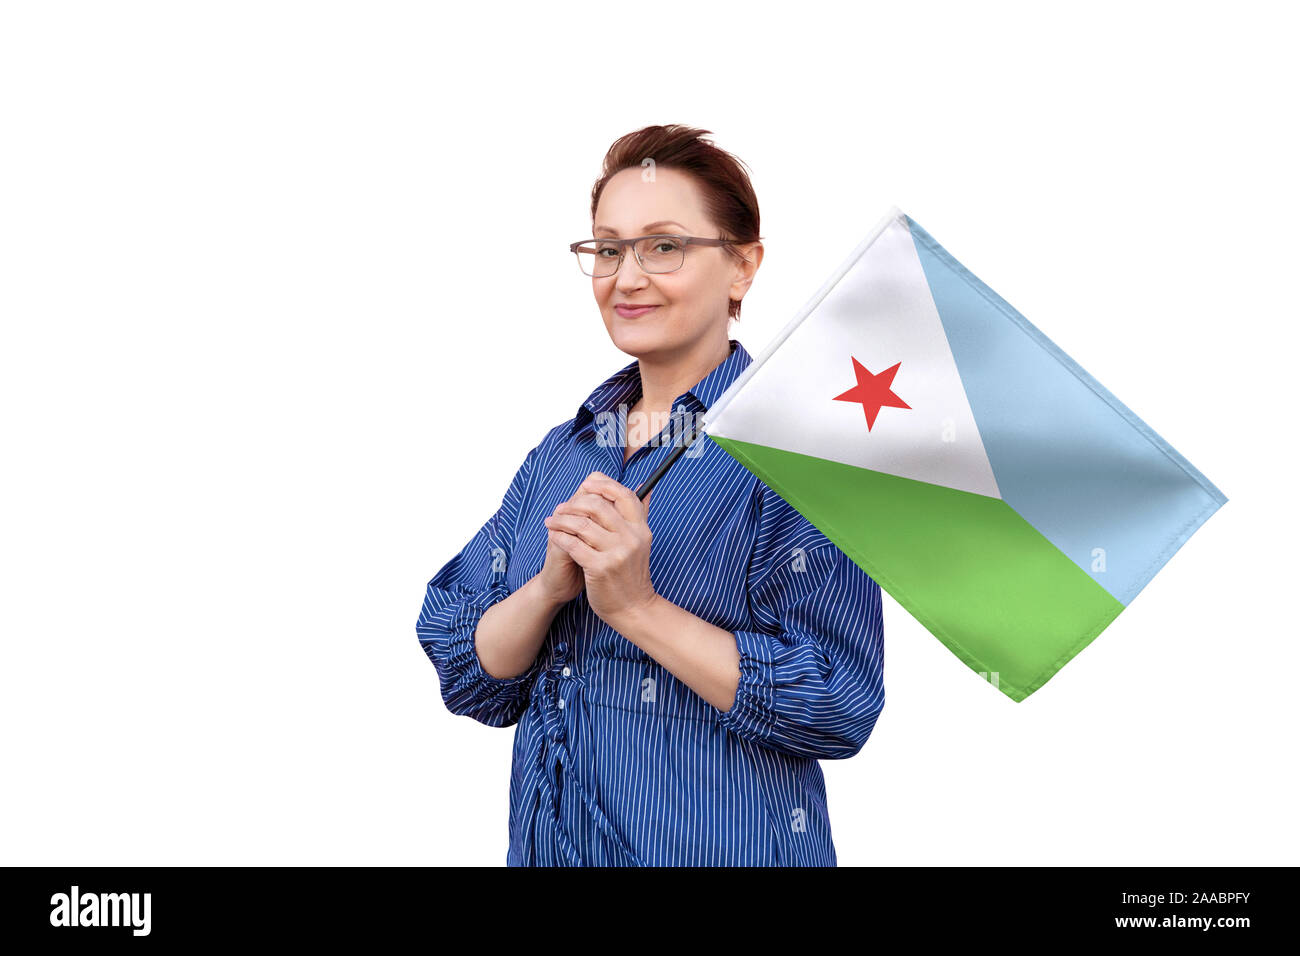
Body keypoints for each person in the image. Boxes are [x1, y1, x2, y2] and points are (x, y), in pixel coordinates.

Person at [415, 124, 885, 866]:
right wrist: (544, 592)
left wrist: (636, 607)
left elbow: (837, 703)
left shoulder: (796, 457)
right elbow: (469, 672)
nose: (626, 277)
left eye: (663, 246)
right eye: (607, 249)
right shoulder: (562, 453)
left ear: (742, 267)